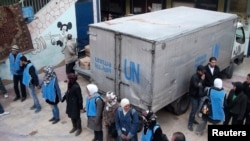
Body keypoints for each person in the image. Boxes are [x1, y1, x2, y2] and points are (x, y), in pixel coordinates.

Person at [187, 65, 206, 131]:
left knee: (197, 108)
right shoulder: (194, 77)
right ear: (198, 71)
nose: (203, 73)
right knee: (193, 110)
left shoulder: (201, 76)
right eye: (202, 72)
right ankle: (190, 124)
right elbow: (197, 85)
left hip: (198, 95)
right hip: (194, 96)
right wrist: (201, 80)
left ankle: (193, 119)